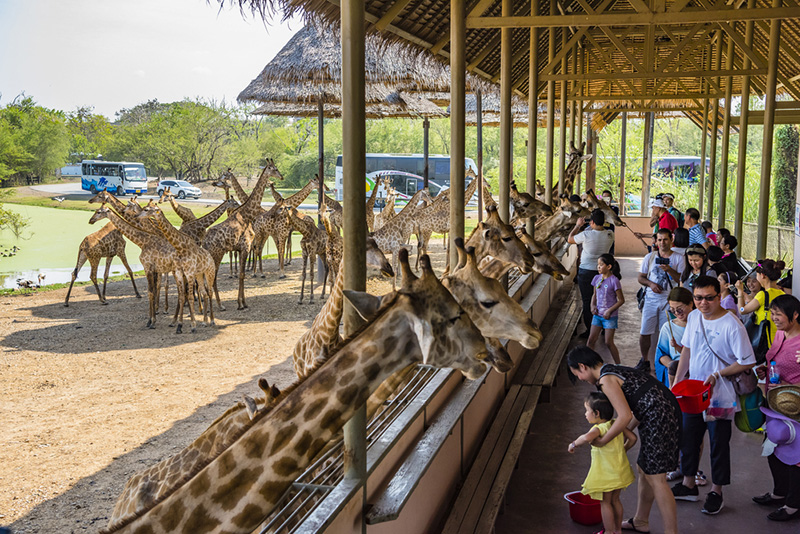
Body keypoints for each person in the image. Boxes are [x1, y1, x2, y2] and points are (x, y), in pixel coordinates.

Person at [567, 347, 681, 534]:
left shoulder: (605, 379)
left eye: (577, 374)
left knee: (656, 478)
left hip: (660, 416)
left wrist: (604, 441)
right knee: (644, 468)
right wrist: (621, 438)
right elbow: (633, 410)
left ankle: (671, 532)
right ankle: (641, 521)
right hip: (657, 413)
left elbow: (624, 416)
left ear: (582, 366)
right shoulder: (610, 370)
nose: (580, 378)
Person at [672, 275, 757, 515]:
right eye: (698, 298)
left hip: (720, 395)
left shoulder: (732, 325)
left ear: (719, 297)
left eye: (709, 298)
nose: (703, 303)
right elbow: (687, 350)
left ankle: (716, 492)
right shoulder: (694, 317)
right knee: (689, 438)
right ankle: (688, 484)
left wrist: (718, 374)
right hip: (693, 393)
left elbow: (746, 361)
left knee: (718, 443)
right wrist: (678, 381)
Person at [569, 391, 637, 534]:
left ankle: (609, 531)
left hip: (607, 473)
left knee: (605, 502)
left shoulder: (598, 429)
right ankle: (617, 530)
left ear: (597, 413)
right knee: (616, 500)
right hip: (620, 470)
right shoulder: (615, 424)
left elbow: (586, 438)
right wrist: (623, 450)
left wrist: (574, 444)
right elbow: (633, 438)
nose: (585, 414)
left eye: (587, 410)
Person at [638, 229, 684, 370]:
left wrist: (669, 269)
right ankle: (644, 359)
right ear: (656, 242)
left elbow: (681, 279)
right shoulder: (650, 257)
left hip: (669, 300)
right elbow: (641, 277)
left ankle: (665, 361)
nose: (662, 243)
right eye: (659, 240)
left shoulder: (679, 258)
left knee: (667, 333)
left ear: (671, 240)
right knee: (645, 331)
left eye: (665, 239)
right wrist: (651, 284)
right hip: (651, 300)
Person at [754, 386, 800, 521]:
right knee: (774, 443)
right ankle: (780, 492)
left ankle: (793, 505)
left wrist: (788, 385)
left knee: (797, 457)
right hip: (780, 401)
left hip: (795, 399)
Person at [569, 208, 615, 336]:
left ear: (592, 222)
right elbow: (599, 231)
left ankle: (590, 329)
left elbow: (570, 239)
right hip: (603, 272)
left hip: (586, 271)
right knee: (603, 299)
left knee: (588, 300)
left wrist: (578, 225)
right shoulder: (610, 234)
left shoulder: (586, 235)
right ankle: (604, 327)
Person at [736, 259, 787, 348]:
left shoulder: (762, 295)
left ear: (762, 275)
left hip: (765, 341)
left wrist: (740, 291)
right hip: (780, 340)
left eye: (757, 275)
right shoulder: (782, 294)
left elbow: (742, 310)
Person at [655, 287, 694, 388]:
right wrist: (674, 367)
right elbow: (661, 355)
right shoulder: (668, 327)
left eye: (679, 309)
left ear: (691, 304)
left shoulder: (700, 325)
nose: (677, 313)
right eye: (672, 310)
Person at [589, 253, 625, 364]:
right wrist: (592, 305)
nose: (598, 267)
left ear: (609, 267)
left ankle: (618, 364)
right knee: (591, 340)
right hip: (597, 315)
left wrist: (609, 311)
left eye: (601, 265)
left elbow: (621, 300)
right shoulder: (596, 278)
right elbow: (594, 295)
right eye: (598, 265)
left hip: (610, 317)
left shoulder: (614, 281)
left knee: (608, 342)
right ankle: (588, 364)